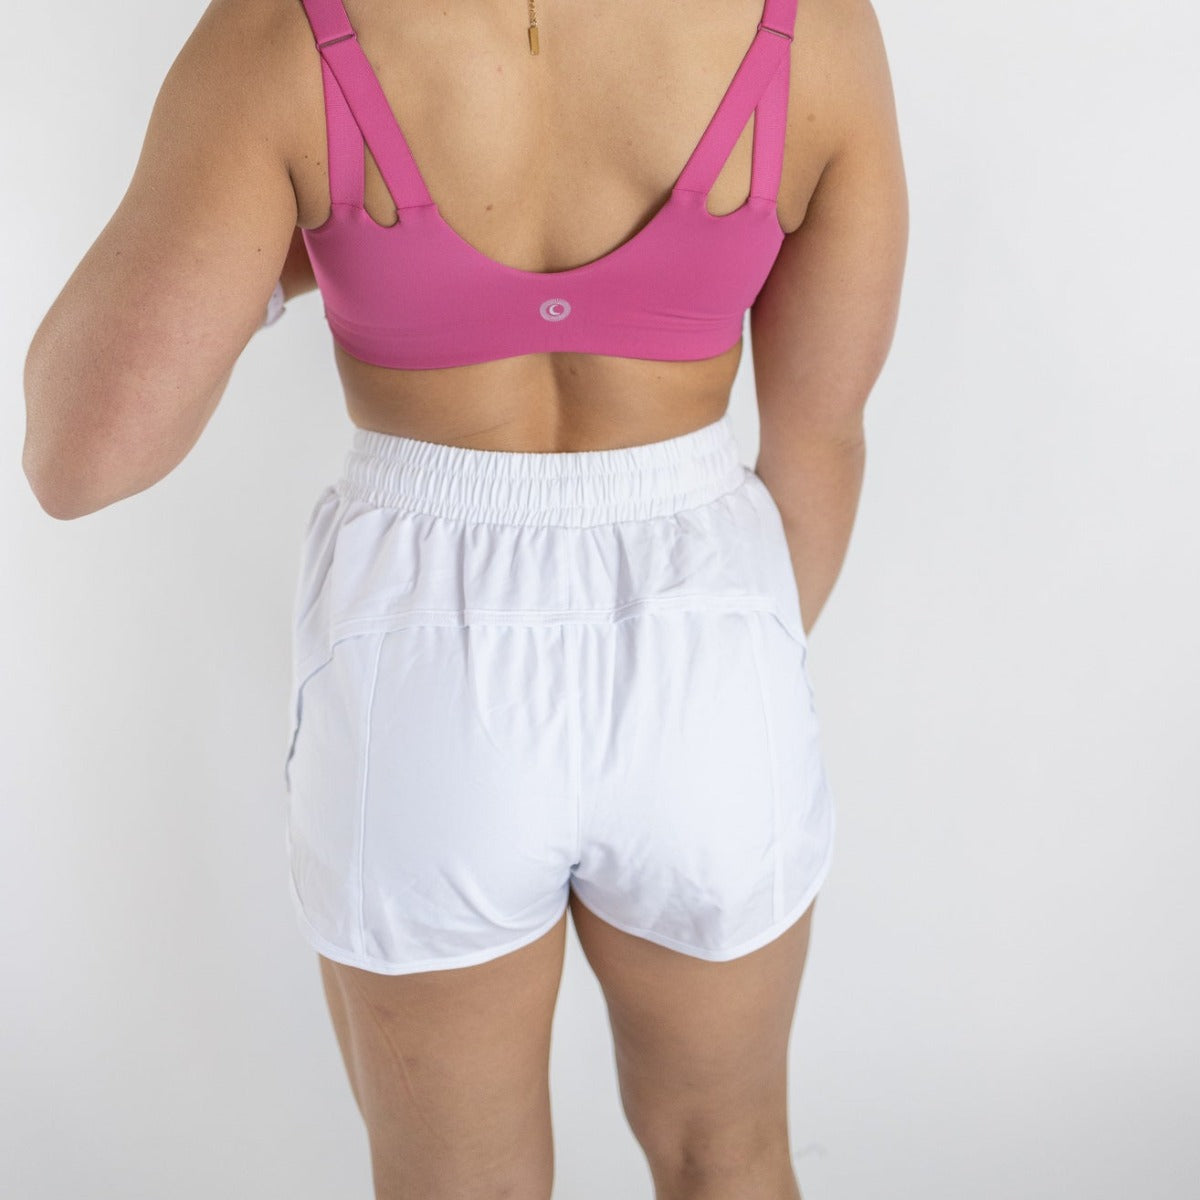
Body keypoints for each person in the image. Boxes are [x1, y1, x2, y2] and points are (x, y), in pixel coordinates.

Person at [21, 0, 907, 1196]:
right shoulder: (810, 30)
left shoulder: (286, 32)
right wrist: (718, 672)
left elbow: (79, 456)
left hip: (422, 666)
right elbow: (820, 447)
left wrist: (279, 263)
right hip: (709, 642)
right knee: (728, 1155)